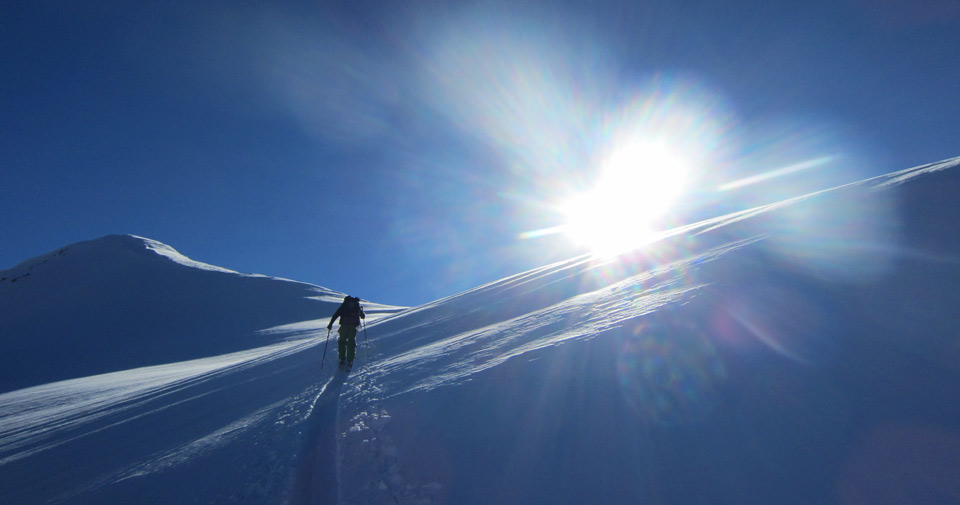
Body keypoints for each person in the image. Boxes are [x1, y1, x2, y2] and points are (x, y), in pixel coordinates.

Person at [327, 295, 365, 368]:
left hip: (344, 325)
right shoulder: (356, 306)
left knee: (342, 341)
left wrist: (330, 324)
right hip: (352, 326)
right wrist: (361, 313)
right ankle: (350, 359)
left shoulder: (344, 306)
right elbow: (362, 316)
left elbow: (336, 314)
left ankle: (342, 358)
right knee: (351, 342)